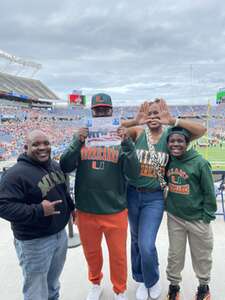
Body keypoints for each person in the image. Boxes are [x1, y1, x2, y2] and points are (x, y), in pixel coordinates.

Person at [122, 99, 206, 300]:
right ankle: (141, 279)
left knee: (146, 243)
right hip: (132, 194)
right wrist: (134, 121)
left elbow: (201, 130)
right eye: (150, 114)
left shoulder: (170, 136)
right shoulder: (138, 133)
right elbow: (112, 129)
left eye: (156, 114)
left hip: (155, 197)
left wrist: (173, 120)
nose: (153, 117)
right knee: (134, 240)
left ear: (163, 115)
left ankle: (152, 279)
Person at [60, 93, 140, 300]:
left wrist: (128, 144)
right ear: (92, 112)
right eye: (97, 110)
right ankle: (95, 283)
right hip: (86, 210)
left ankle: (119, 289)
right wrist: (77, 141)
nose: (101, 112)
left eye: (105, 109)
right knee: (92, 253)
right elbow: (65, 166)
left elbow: (133, 173)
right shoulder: (82, 137)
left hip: (115, 209)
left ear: (111, 112)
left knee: (118, 256)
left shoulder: (120, 139)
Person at [0, 129, 75, 300]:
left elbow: (62, 190)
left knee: (53, 285)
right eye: (36, 144)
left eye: (46, 143)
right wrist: (39, 210)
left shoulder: (54, 165)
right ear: (26, 147)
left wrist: (71, 207)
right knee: (36, 291)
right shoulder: (14, 175)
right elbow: (3, 206)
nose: (42, 147)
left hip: (59, 236)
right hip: (34, 242)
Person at [165, 126, 217, 300]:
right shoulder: (167, 160)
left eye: (180, 141)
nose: (176, 144)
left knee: (202, 254)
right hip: (175, 216)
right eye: (172, 141)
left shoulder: (200, 162)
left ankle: (203, 286)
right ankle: (174, 286)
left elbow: (210, 191)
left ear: (187, 143)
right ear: (167, 143)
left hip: (198, 218)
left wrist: (207, 215)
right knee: (175, 255)